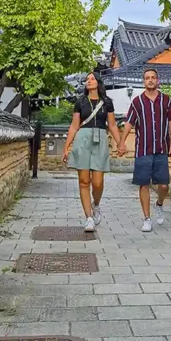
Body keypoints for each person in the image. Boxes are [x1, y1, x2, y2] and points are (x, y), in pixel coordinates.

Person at [119, 67, 171, 232]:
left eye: (153, 77)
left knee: (164, 186)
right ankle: (146, 218)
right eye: (147, 78)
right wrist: (122, 142)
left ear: (157, 80)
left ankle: (159, 204)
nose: (150, 80)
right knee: (143, 184)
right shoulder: (137, 102)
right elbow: (129, 123)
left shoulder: (166, 100)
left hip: (161, 148)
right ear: (144, 81)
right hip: (143, 149)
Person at [63, 72, 122, 232]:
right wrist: (67, 147)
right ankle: (88, 218)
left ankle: (96, 205)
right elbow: (74, 126)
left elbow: (112, 125)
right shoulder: (80, 102)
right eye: (87, 79)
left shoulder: (107, 102)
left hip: (100, 139)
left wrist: (120, 143)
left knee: (98, 182)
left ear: (98, 82)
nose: (88, 81)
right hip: (82, 139)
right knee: (83, 181)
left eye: (92, 78)